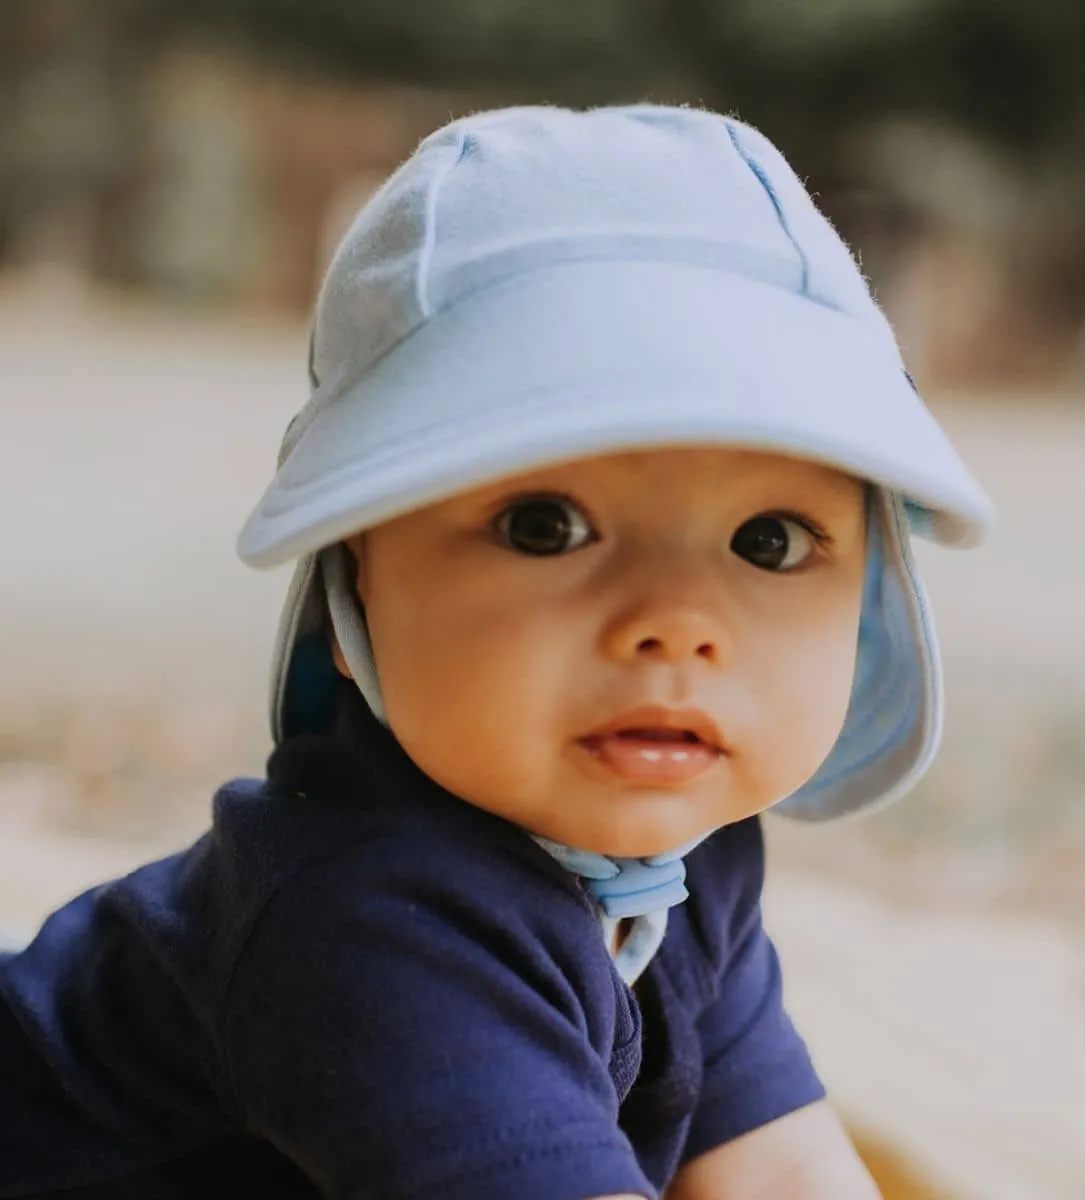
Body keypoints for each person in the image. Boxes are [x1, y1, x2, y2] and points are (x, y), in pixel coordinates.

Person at [0, 104, 994, 1199]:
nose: (676, 622)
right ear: (354, 586)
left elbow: (781, 1168)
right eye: (545, 526)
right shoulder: (368, 922)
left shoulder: (691, 861)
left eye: (769, 541)